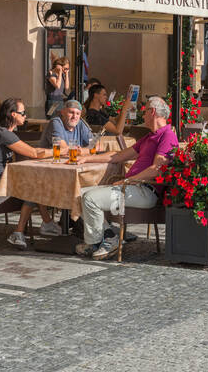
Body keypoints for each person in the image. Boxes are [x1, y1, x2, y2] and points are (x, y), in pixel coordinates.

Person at [74, 97, 177, 260]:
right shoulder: (149, 137)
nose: (143, 115)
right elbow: (117, 156)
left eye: (145, 111)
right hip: (133, 188)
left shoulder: (167, 135)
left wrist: (129, 180)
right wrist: (88, 159)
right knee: (79, 195)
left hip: (145, 191)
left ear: (153, 112)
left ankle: (109, 239)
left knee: (90, 199)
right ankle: (97, 241)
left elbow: (157, 169)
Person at [0, 97, 59, 249]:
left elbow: (28, 154)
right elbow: (34, 153)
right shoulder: (3, 133)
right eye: (23, 113)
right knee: (31, 187)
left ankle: (46, 223)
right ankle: (20, 232)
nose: (25, 116)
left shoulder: (2, 131)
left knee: (34, 183)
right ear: (13, 114)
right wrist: (60, 151)